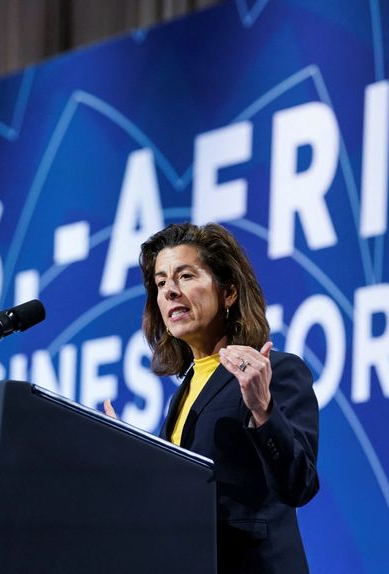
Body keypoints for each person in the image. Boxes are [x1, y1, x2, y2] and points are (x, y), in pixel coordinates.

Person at [109, 222, 319, 573]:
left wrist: (263, 410)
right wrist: (132, 462)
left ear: (229, 293)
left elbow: (299, 485)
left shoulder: (277, 370)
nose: (170, 291)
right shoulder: (183, 394)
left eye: (186, 276)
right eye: (161, 283)